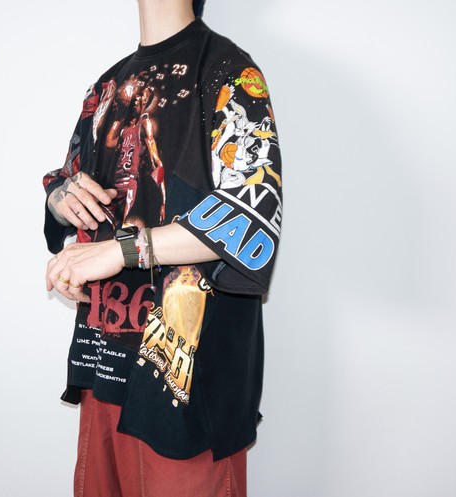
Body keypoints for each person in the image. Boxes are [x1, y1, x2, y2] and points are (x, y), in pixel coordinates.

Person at [42, 1, 282, 495]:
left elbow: (249, 217)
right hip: (104, 360)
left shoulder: (227, 71)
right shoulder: (107, 87)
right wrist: (61, 198)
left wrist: (120, 250)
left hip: (185, 378)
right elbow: (68, 181)